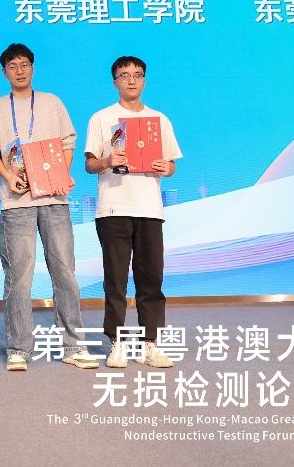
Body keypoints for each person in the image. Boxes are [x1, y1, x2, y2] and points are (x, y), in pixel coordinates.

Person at [0, 43, 99, 373]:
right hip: (16, 202)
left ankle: (74, 345)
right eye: (12, 66)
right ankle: (19, 348)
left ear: (33, 68)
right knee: (19, 277)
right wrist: (8, 176)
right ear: (4, 72)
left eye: (24, 64)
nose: (19, 70)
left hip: (54, 200)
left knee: (65, 273)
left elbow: (68, 143)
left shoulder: (51, 103)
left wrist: (60, 175)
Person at [83, 55, 182, 369]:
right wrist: (107, 161)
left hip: (150, 209)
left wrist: (167, 168)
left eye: (138, 75)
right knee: (115, 280)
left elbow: (172, 164)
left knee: (151, 279)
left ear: (144, 80)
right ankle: (116, 343)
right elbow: (89, 164)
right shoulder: (102, 118)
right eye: (124, 75)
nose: (131, 80)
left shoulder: (159, 120)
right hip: (113, 208)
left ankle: (149, 344)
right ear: (115, 81)